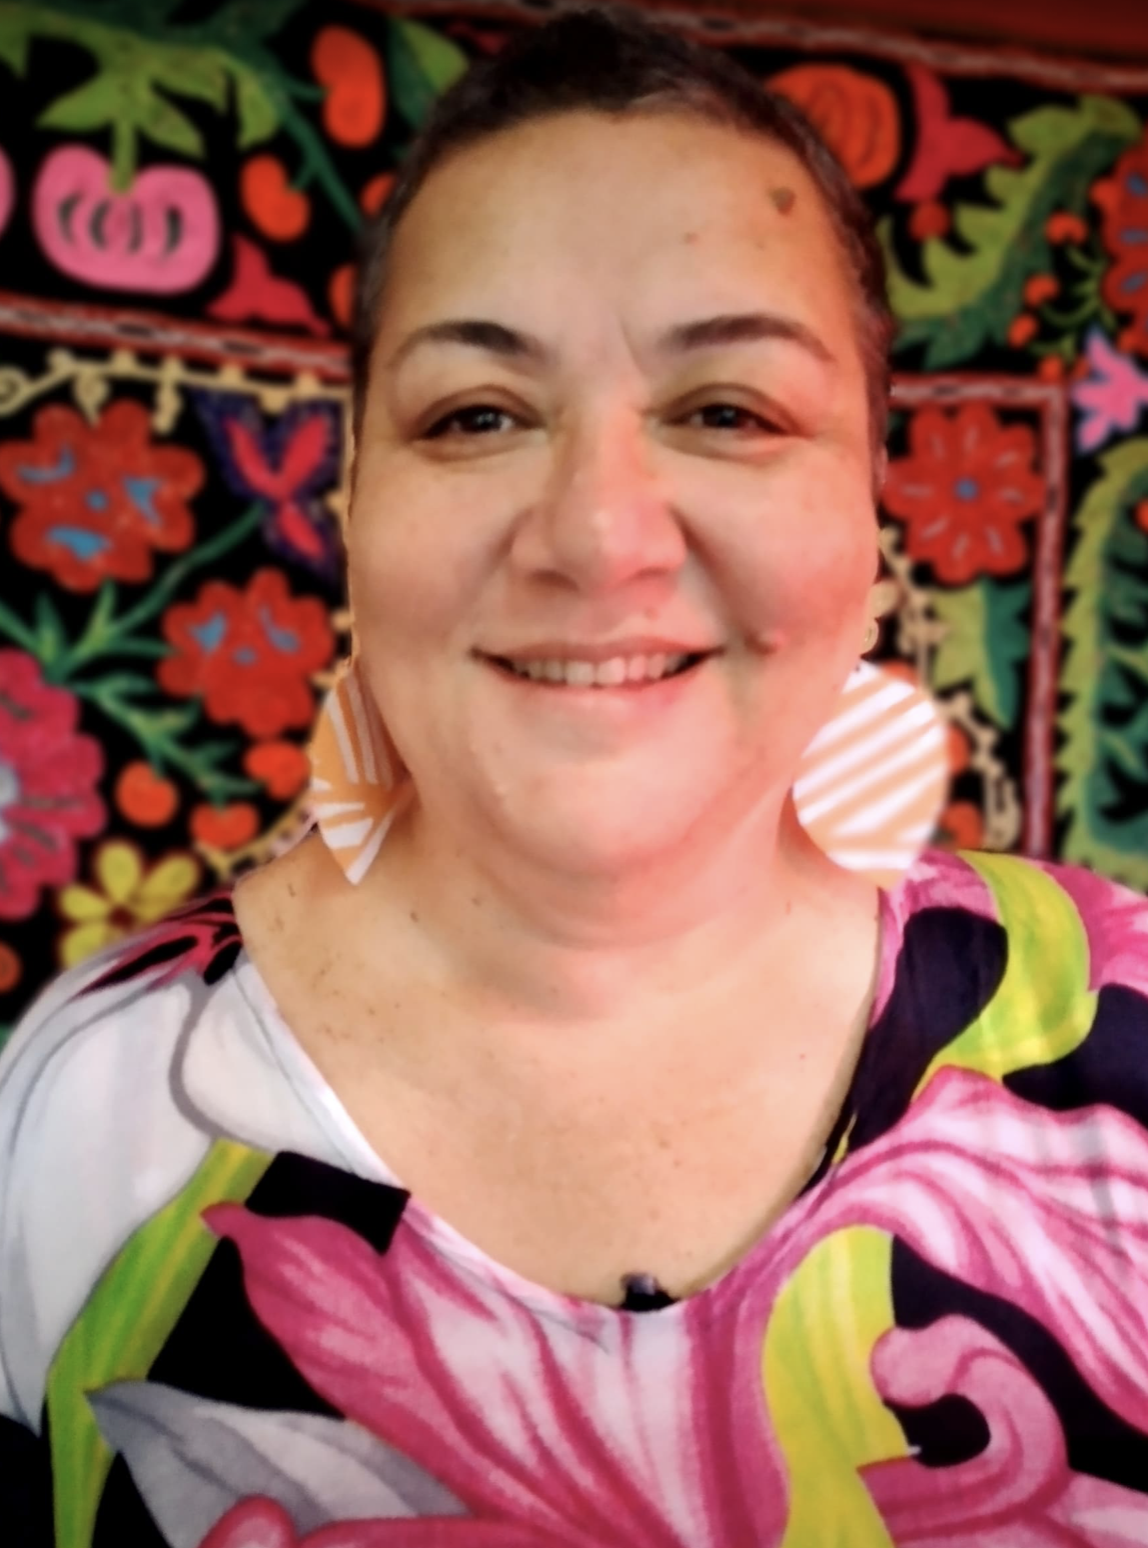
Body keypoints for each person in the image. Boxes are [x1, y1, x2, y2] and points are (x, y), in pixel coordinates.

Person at [3, 7, 1148, 1542]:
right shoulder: (69, 1119)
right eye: (477, 415)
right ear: (353, 510)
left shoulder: (1126, 1048)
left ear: (873, 522)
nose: (600, 535)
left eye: (729, 412)